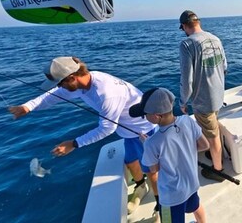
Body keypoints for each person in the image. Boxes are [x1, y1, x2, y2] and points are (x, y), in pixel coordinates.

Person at [8, 56, 160, 220]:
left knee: (151, 170)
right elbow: (54, 95)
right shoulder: (82, 83)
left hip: (143, 129)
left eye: (61, 83)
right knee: (130, 162)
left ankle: (160, 202)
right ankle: (140, 186)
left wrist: (73, 144)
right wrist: (28, 107)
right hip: (128, 131)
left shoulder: (106, 93)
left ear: (72, 77)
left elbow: (106, 129)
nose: (60, 87)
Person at [129, 87, 209, 223]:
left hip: (171, 196)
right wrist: (185, 149)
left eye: (145, 115)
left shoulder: (151, 143)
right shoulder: (188, 121)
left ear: (156, 116)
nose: (145, 117)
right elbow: (205, 145)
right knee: (196, 206)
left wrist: (146, 144)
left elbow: (153, 169)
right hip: (191, 184)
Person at [178, 10, 227, 182]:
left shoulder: (187, 45)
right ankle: (214, 153)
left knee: (212, 136)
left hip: (203, 101)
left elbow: (187, 80)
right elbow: (225, 67)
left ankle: (218, 169)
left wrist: (183, 101)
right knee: (213, 128)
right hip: (219, 95)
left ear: (184, 26)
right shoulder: (216, 39)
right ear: (198, 22)